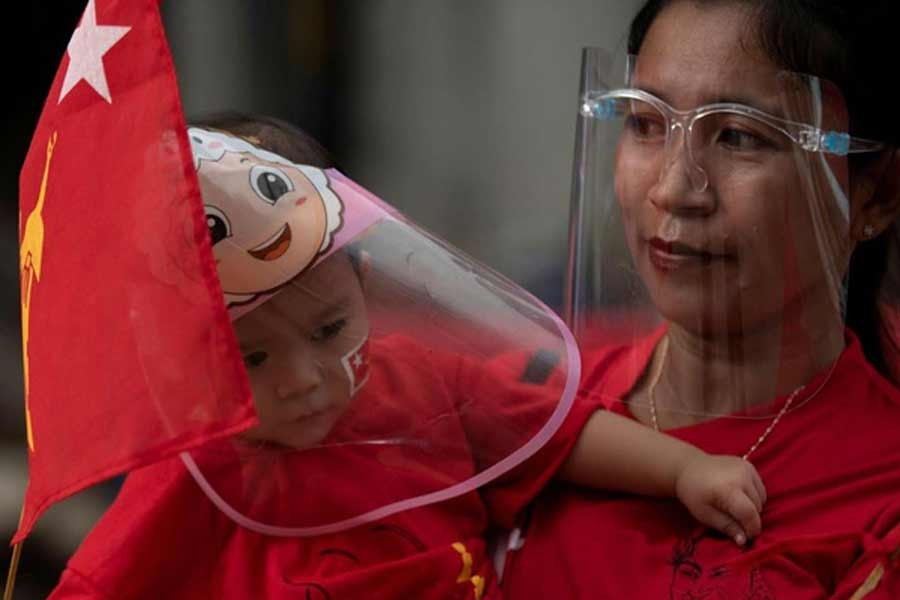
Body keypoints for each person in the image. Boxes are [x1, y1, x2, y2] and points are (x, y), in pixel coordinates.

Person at [48, 115, 769, 599]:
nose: (307, 380)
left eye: (331, 330)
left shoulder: (422, 378)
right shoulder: (191, 472)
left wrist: (683, 469)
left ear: (365, 281)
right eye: (253, 360)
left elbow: (552, 430)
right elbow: (95, 582)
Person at [502, 1, 900, 598]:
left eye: (738, 136)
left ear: (877, 193)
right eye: (644, 122)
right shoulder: (533, 401)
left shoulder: (881, 491)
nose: (673, 188)